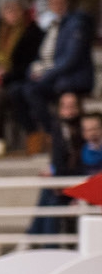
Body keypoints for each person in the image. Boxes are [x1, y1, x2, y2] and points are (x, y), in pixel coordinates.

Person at [10, 0, 96, 148]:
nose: (57, 5)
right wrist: (33, 70)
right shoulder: (54, 24)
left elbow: (71, 59)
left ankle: (54, 133)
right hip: (54, 76)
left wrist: (46, 75)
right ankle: (34, 134)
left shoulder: (77, 23)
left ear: (69, 2)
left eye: (60, 1)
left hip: (72, 78)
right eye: (53, 2)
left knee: (31, 90)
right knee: (15, 90)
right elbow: (42, 56)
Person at [0, 0, 43, 148]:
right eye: (7, 10)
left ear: (23, 9)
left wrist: (5, 76)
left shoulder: (32, 31)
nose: (12, 13)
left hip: (19, 79)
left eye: (15, 9)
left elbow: (29, 64)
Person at [28, 92, 85, 238]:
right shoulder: (59, 128)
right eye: (65, 106)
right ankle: (35, 239)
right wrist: (52, 171)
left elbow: (82, 163)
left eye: (72, 106)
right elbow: (58, 160)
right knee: (48, 194)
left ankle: (38, 241)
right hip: (62, 180)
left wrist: (58, 177)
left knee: (52, 200)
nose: (69, 110)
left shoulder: (83, 129)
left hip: (78, 182)